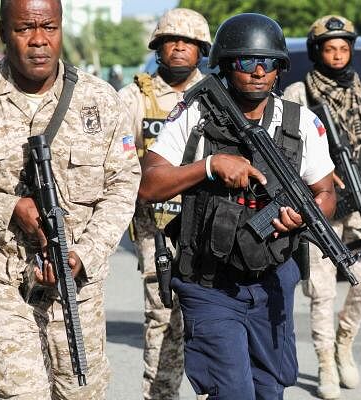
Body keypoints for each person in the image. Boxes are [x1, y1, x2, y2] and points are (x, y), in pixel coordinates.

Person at [139, 13, 337, 400]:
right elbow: (148, 185)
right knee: (232, 393)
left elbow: (325, 193)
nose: (259, 71)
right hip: (209, 282)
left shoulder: (300, 123)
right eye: (247, 62)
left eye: (270, 63)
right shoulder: (194, 114)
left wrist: (303, 218)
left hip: (273, 280)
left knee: (269, 389)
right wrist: (209, 166)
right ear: (228, 65)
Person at [0, 0, 140, 398]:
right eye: (25, 28)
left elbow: (123, 184)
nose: (39, 40)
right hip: (6, 285)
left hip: (79, 288)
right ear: (3, 34)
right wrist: (9, 209)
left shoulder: (100, 100)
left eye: (50, 27)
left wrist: (85, 255)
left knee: (81, 391)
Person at [282, 15, 361, 399]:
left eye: (343, 48)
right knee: (321, 289)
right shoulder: (298, 95)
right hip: (318, 201)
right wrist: (320, 174)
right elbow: (286, 152)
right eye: (329, 48)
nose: (337, 55)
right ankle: (324, 362)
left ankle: (344, 341)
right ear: (316, 52)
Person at [118, 8, 211, 400]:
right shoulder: (133, 97)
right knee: (162, 318)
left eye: (188, 42)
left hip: (210, 224)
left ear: (201, 50)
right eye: (171, 40)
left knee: (210, 316)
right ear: (158, 47)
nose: (178, 48)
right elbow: (118, 162)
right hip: (157, 228)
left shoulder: (216, 95)